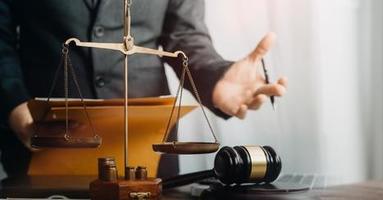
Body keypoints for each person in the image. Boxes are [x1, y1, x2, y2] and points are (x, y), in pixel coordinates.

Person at [0, 0, 287, 178]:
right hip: (44, 140)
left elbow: (184, 36)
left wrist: (218, 79)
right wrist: (12, 102)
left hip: (147, 152)